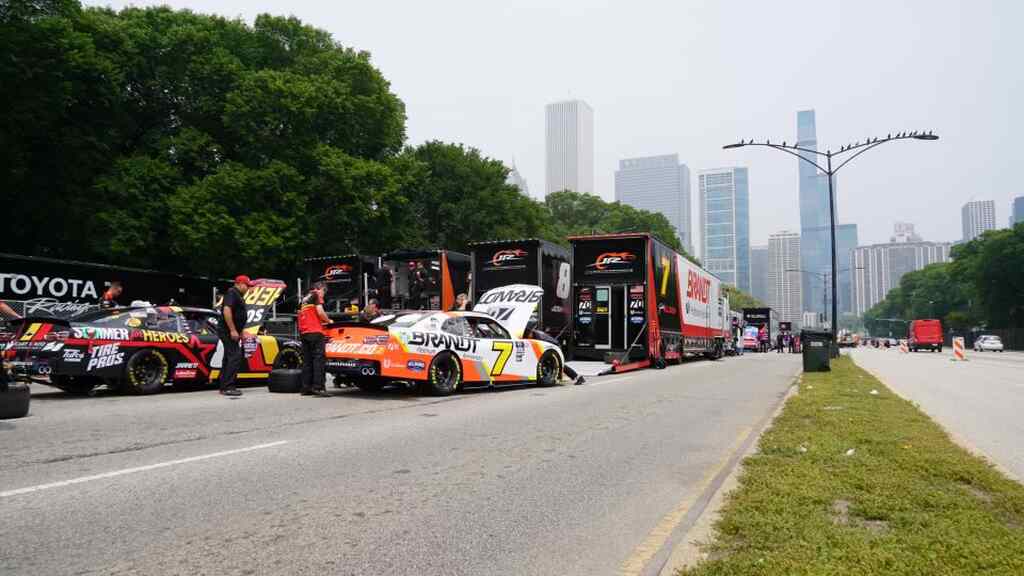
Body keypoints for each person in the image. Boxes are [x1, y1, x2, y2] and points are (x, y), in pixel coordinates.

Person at [218, 275, 251, 397]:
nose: (248, 288)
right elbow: (227, 310)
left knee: (228, 357)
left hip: (231, 330)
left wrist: (240, 331)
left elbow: (238, 316)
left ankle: (224, 386)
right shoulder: (232, 292)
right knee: (235, 356)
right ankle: (228, 387)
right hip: (227, 330)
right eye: (247, 286)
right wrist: (232, 330)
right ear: (240, 283)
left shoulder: (237, 295)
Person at [297, 282, 330, 397]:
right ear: (320, 289)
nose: (323, 295)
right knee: (318, 360)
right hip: (315, 331)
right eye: (324, 291)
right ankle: (319, 388)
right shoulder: (316, 295)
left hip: (304, 333)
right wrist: (329, 321)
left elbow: (299, 315)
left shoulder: (303, 299)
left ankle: (306, 388)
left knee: (307, 361)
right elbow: (320, 312)